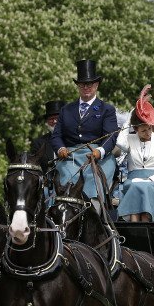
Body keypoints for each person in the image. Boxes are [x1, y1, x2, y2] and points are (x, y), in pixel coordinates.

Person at [51, 60, 118, 210]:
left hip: (98, 157)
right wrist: (60, 148)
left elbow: (111, 136)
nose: (86, 87)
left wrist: (99, 151)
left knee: (93, 182)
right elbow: (56, 136)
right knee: (65, 182)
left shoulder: (106, 109)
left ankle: (96, 216)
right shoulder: (66, 110)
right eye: (82, 84)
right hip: (70, 157)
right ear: (78, 86)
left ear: (96, 85)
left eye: (90, 84)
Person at [115, 85, 154, 222]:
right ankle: (136, 229)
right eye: (143, 131)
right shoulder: (129, 139)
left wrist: (150, 180)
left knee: (142, 187)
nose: (148, 133)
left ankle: (143, 227)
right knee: (136, 186)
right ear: (134, 129)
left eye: (149, 129)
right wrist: (128, 120)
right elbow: (119, 143)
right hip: (132, 181)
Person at [31, 100, 65, 171]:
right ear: (47, 121)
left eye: (57, 118)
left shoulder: (75, 138)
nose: (54, 121)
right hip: (48, 180)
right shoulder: (39, 143)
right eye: (51, 119)